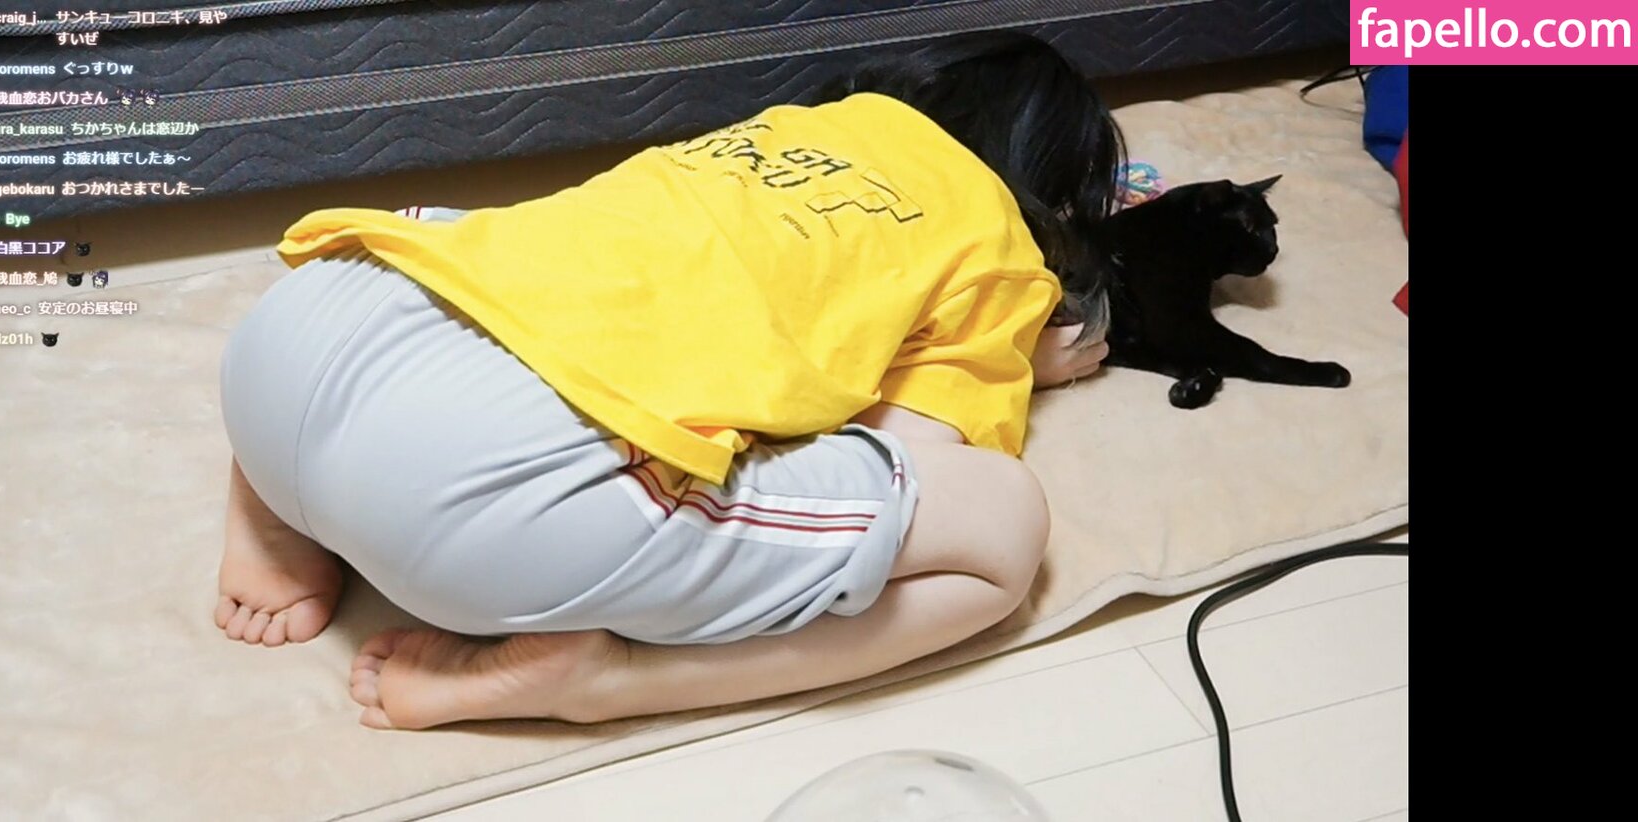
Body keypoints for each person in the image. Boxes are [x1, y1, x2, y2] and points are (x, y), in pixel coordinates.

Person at [213, 31, 1121, 730]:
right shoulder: (1003, 254)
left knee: (490, 243)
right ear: (1053, 196)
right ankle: (611, 682)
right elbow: (896, 459)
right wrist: (1012, 360)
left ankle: (271, 518)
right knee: (1005, 529)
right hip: (472, 504)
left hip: (299, 334)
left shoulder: (789, 128)